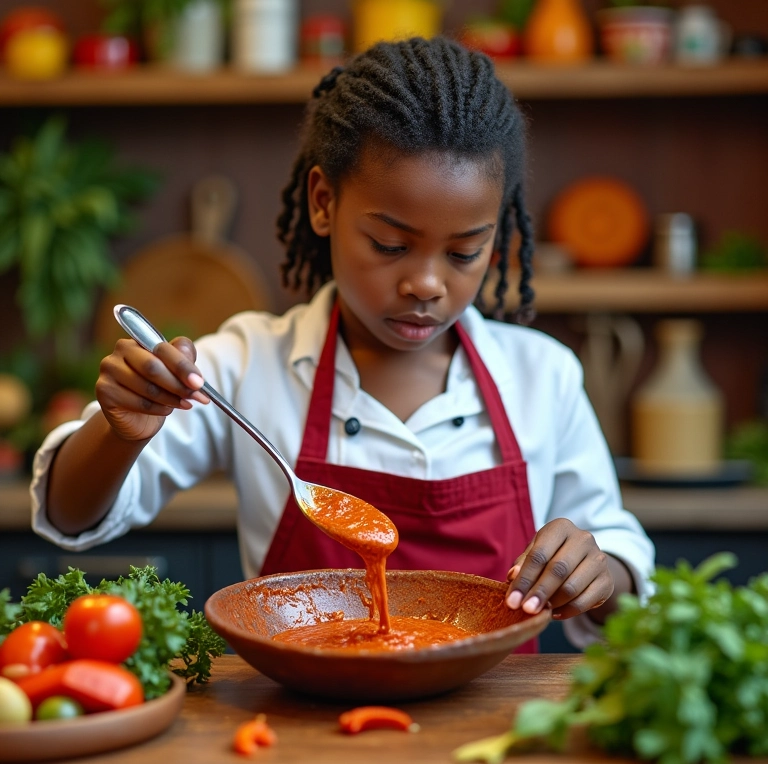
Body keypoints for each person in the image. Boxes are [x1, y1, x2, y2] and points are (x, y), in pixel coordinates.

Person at [31, 36, 654, 651]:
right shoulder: (246, 366)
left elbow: (618, 553)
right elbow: (70, 515)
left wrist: (597, 571)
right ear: (324, 203)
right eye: (390, 245)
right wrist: (119, 433)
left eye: (466, 252)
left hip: (494, 733)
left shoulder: (543, 374)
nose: (427, 284)